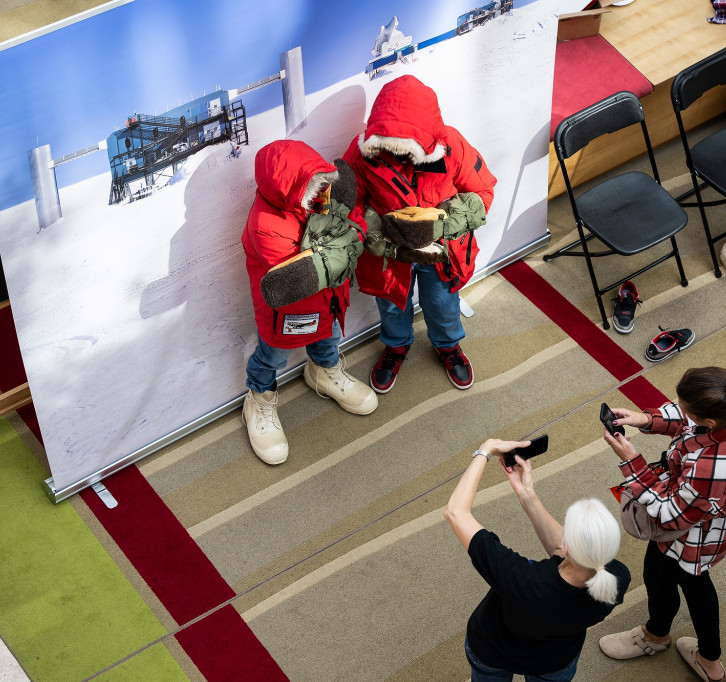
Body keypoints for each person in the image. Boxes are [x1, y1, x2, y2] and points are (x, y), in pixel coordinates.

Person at [600, 366, 726, 682]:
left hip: (693, 533)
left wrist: (632, 463)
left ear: (709, 421)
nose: (681, 412)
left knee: (666, 573)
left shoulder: (710, 467)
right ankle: (705, 656)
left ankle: (658, 636)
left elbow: (668, 513)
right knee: (687, 579)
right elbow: (692, 418)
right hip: (720, 518)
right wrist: (647, 419)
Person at [343, 75, 497, 394]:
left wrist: (442, 225)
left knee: (442, 302)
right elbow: (348, 201)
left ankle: (448, 345)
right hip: (388, 254)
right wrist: (372, 230)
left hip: (440, 252)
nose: (399, 154)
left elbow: (482, 192)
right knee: (391, 306)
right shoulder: (361, 153)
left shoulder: (452, 146)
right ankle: (396, 347)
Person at [444, 437, 631, 681]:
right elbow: (558, 546)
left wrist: (485, 450)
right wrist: (526, 492)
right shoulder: (617, 577)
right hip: (555, 661)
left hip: (492, 652)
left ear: (567, 547)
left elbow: (456, 512)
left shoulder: (523, 580)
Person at [241, 140, 377, 465]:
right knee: (272, 356)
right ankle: (258, 398)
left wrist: (342, 239)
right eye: (311, 187)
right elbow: (301, 274)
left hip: (329, 301)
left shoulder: (322, 201)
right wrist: (346, 241)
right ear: (287, 188)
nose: (320, 194)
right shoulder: (264, 224)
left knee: (328, 338)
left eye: (321, 183)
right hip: (285, 313)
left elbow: (351, 226)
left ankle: (324, 371)